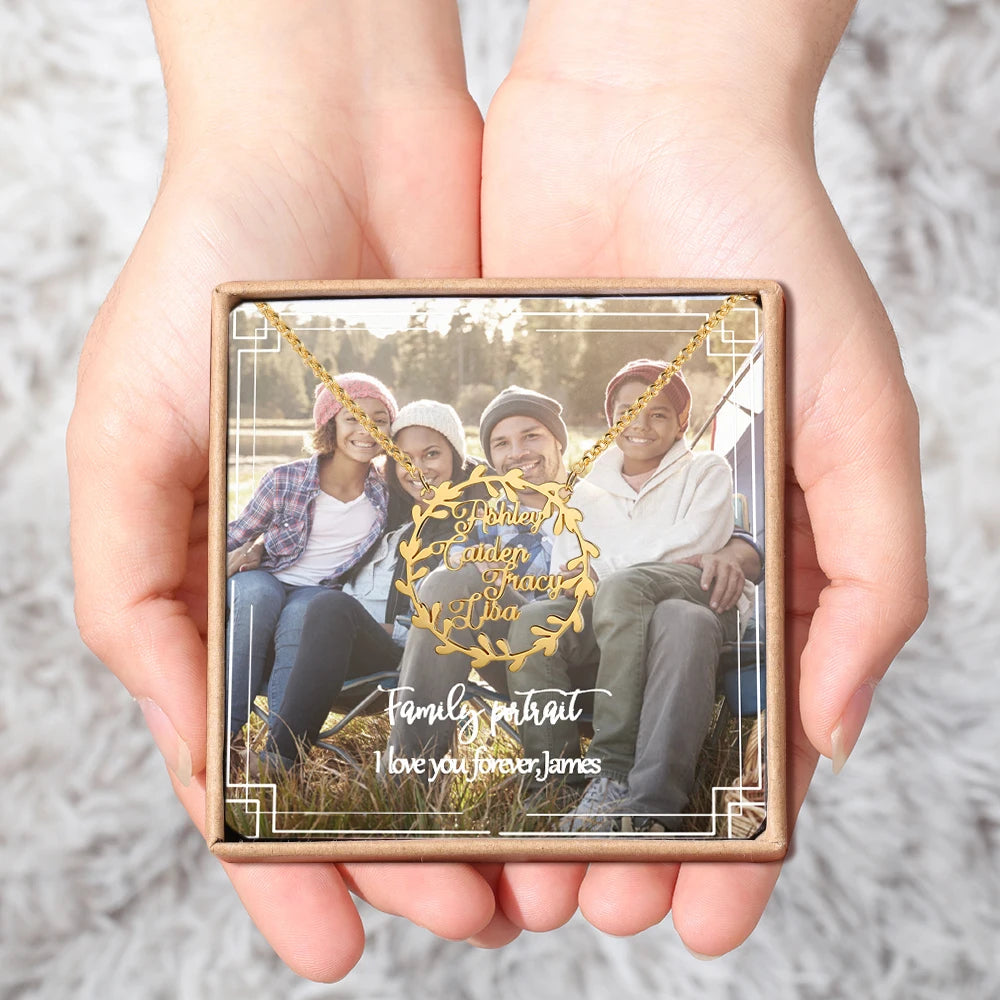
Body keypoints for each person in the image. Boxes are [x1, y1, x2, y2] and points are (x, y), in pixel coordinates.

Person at [67, 0, 928, 977]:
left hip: (614, 614)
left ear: (562, 441)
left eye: (534, 438)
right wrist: (275, 119)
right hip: (509, 623)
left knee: (636, 616)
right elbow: (440, 543)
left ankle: (602, 780)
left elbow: (691, 536)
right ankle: (442, 765)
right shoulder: (467, 499)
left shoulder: (607, 482)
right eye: (502, 440)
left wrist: (686, 82)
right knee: (459, 605)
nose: (518, 454)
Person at [508, 360, 753, 831]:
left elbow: (695, 545)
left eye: (658, 413)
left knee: (630, 590)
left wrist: (607, 568)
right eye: (628, 411)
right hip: (612, 607)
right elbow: (570, 562)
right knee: (535, 620)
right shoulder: (585, 485)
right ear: (611, 417)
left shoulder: (705, 469)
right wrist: (592, 573)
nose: (640, 423)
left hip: (693, 591)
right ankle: (556, 782)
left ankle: (615, 768)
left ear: (682, 420)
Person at [263, 399, 482, 767]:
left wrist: (386, 628)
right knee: (244, 606)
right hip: (326, 648)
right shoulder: (386, 514)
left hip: (396, 660)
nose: (418, 469)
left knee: (331, 608)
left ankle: (281, 758)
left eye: (432, 454)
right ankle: (219, 741)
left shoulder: (470, 531)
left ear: (456, 459)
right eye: (405, 457)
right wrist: (255, 550)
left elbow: (458, 627)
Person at [225, 375, 396, 740]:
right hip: (264, 576)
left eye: (379, 419)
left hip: (317, 592)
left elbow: (445, 467)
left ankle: (281, 745)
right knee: (255, 597)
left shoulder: (384, 493)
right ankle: (225, 730)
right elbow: (235, 535)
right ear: (330, 423)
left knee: (303, 615)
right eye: (352, 417)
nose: (367, 428)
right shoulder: (285, 480)